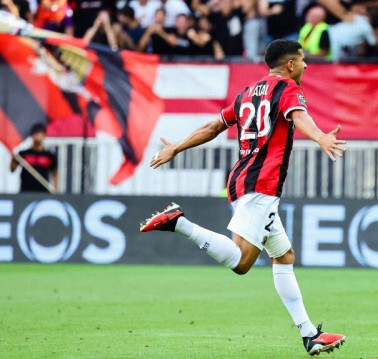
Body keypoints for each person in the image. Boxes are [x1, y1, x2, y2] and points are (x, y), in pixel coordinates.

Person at [140, 40, 347, 356]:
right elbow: (299, 116)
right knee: (241, 262)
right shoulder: (288, 88)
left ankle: (310, 336)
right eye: (303, 60)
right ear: (290, 64)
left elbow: (213, 126)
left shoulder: (247, 93)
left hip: (242, 180)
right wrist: (320, 137)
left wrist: (176, 147)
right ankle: (178, 223)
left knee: (283, 256)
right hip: (261, 185)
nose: (307, 66)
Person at [10, 123, 58, 193]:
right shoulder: (24, 153)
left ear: (44, 135)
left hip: (43, 191)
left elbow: (55, 173)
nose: (37, 136)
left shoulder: (49, 155)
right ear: (31, 136)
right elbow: (12, 169)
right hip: (26, 191)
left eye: (40, 133)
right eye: (35, 133)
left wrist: (56, 189)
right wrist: (13, 159)